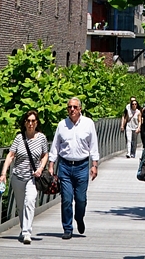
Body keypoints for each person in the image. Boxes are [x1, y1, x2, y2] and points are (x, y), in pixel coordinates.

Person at [48, 97, 99, 240]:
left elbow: (93, 145)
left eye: (75, 107)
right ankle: (67, 228)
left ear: (80, 109)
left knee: (81, 199)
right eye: (69, 107)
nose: (72, 110)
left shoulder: (88, 124)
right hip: (65, 165)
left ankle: (79, 217)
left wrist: (94, 165)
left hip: (82, 166)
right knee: (66, 199)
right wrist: (51, 164)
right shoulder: (62, 125)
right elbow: (55, 146)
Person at [0, 109, 49, 245]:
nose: (31, 124)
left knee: (30, 201)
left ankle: (27, 232)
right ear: (25, 123)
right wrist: (4, 173)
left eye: (33, 121)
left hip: (32, 177)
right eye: (28, 121)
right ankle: (23, 227)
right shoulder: (19, 138)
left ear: (36, 122)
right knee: (21, 205)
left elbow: (45, 155)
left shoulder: (42, 138)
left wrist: (40, 168)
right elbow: (10, 155)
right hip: (18, 176)